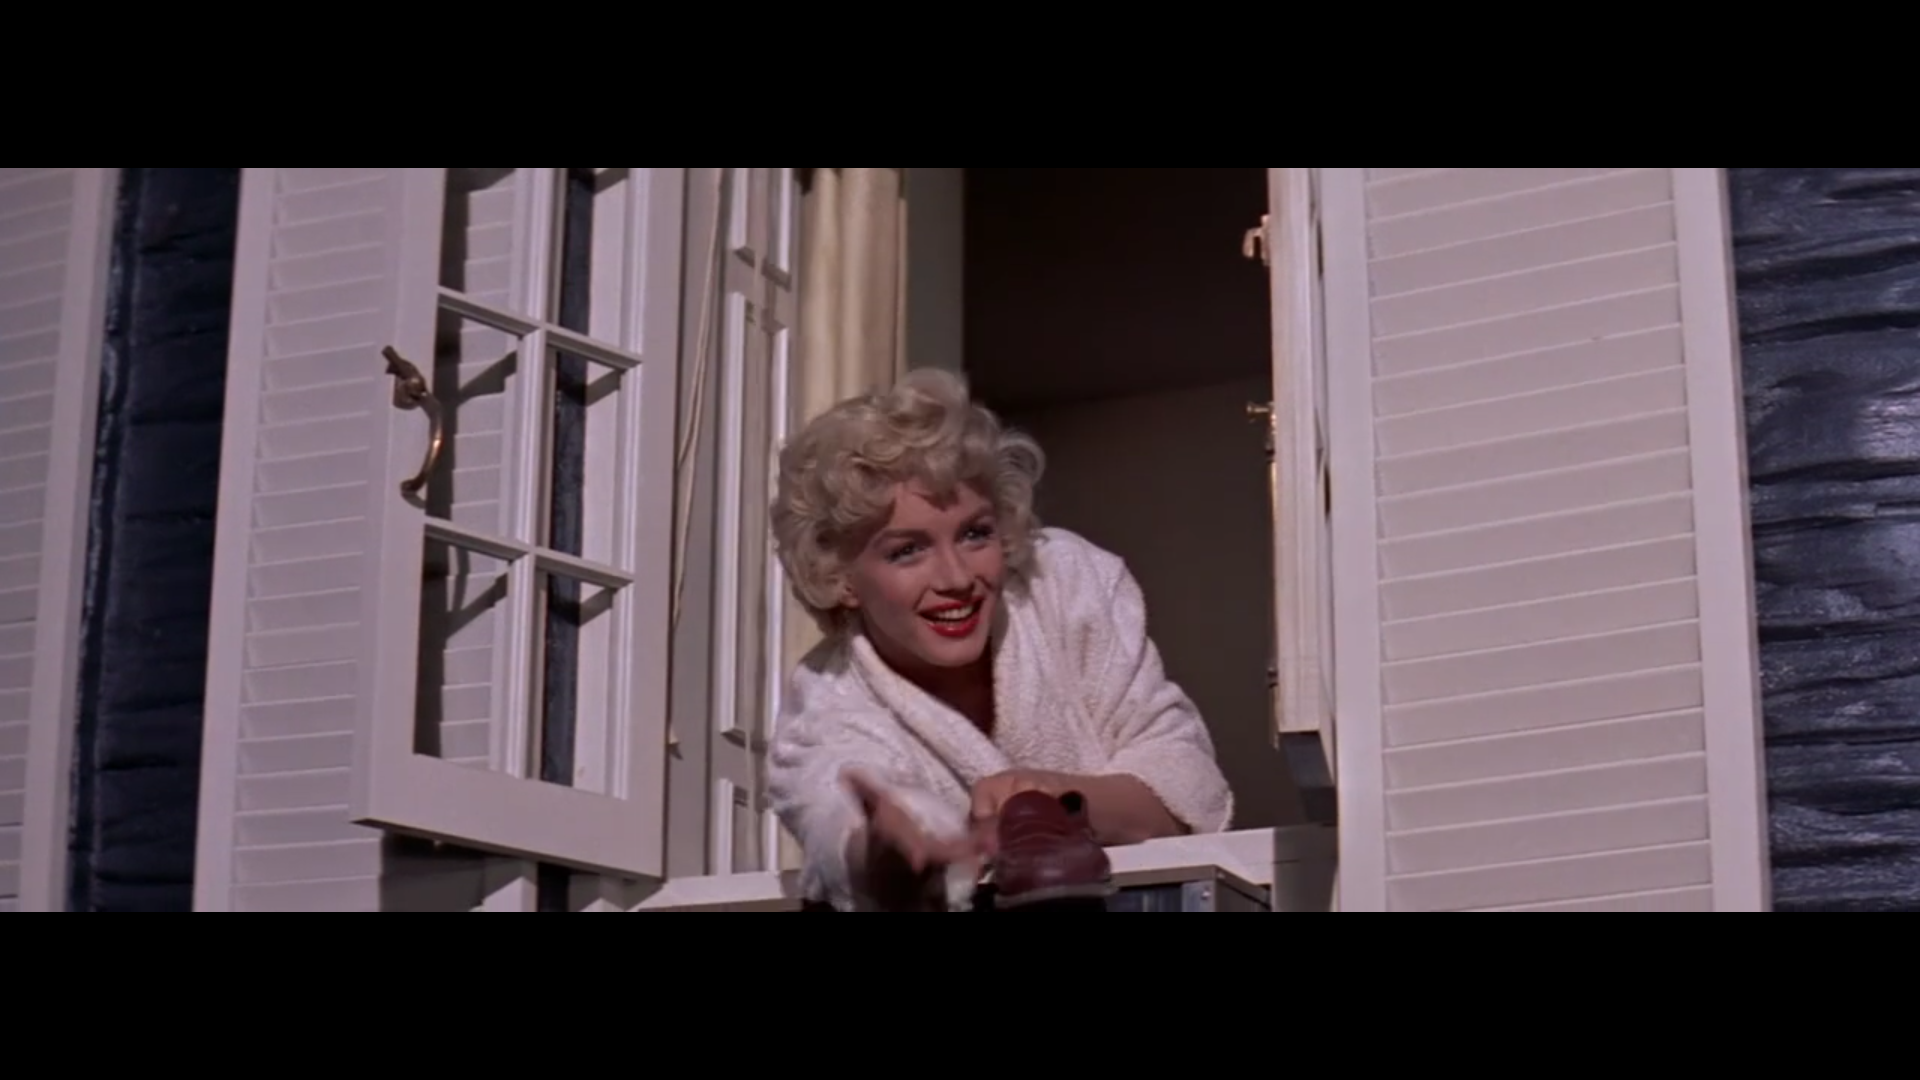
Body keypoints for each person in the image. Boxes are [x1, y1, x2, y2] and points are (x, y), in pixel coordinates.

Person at [765, 369, 1234, 911]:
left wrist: (1047, 800)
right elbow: (836, 817)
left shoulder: (1065, 583)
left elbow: (1189, 782)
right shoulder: (826, 704)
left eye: (975, 533)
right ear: (841, 577)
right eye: (906, 551)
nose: (957, 578)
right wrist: (886, 850)